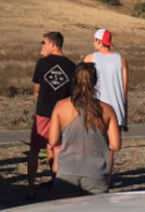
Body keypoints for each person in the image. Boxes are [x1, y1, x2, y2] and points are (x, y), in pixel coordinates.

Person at [47, 63, 121, 197]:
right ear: (95, 82)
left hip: (67, 170)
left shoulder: (60, 106)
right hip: (96, 171)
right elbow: (115, 146)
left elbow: (53, 141)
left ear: (74, 80)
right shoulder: (107, 110)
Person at [27, 32, 76, 198]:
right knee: (57, 149)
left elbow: (36, 89)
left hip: (43, 112)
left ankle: (31, 187)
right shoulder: (71, 66)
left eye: (46, 44)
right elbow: (73, 94)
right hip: (62, 114)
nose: (44, 47)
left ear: (54, 44)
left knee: (34, 148)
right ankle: (57, 185)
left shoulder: (42, 63)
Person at [84, 28, 128, 179]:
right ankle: (107, 179)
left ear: (98, 41)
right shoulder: (121, 60)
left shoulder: (90, 59)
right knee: (110, 148)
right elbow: (124, 90)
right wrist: (125, 115)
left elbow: (84, 85)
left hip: (96, 107)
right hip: (116, 110)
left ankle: (91, 176)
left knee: (92, 144)